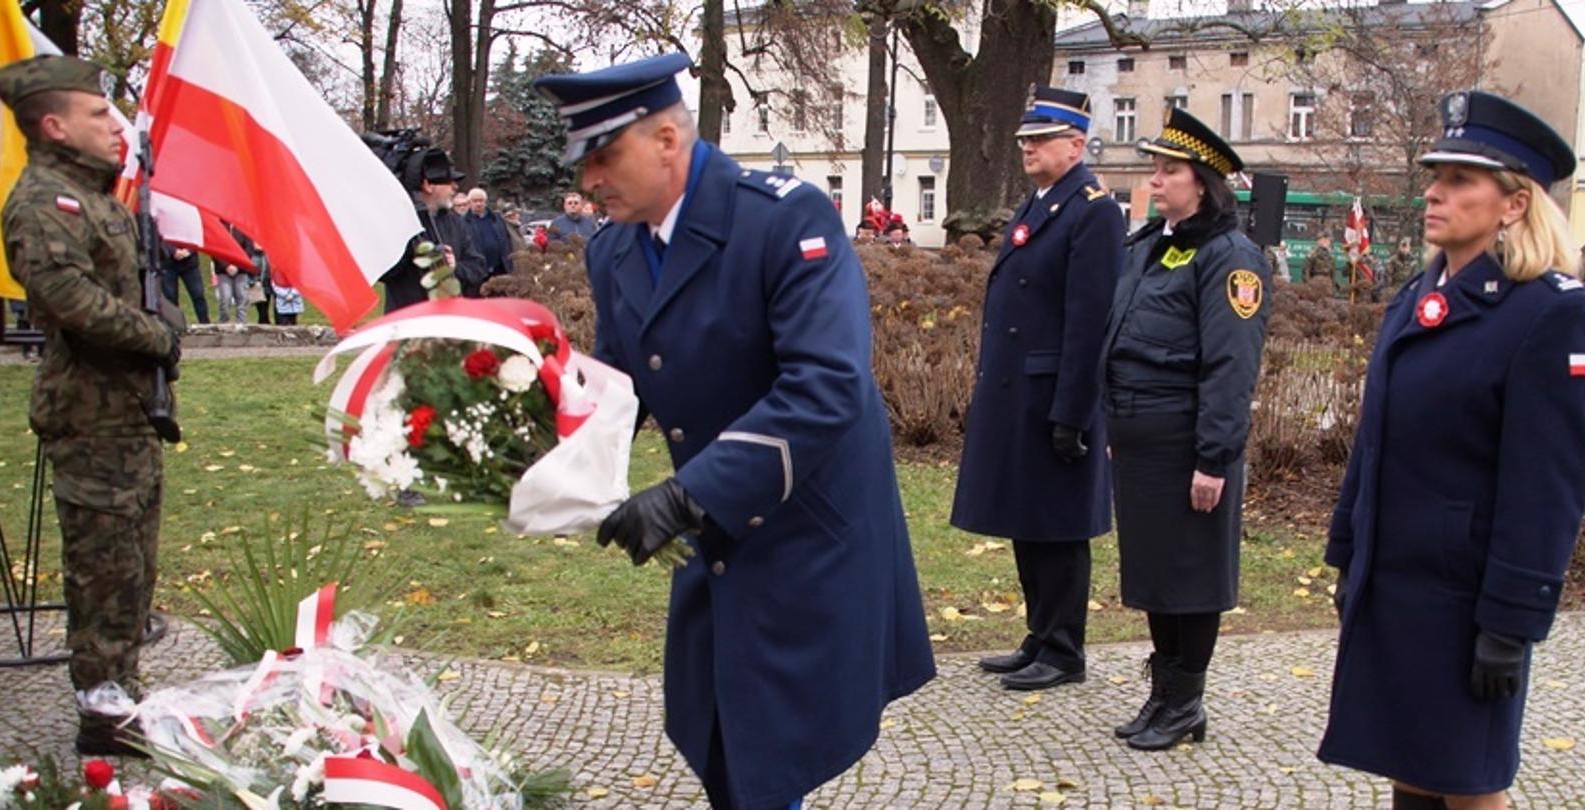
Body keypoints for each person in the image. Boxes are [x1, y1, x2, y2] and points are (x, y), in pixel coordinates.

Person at [536, 53, 934, 810]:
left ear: (665, 138)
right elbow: (621, 383)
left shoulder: (782, 218)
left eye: (603, 156)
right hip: (717, 526)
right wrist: (508, 438)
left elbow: (826, 385)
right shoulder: (616, 246)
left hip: (803, 526)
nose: (589, 180)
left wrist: (686, 499)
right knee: (723, 739)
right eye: (582, 162)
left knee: (770, 754)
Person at [1318, 91, 1585, 810]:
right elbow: (1376, 440)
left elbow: (1547, 486)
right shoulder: (1421, 294)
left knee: (1469, 783)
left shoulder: (1549, 312)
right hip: (1398, 579)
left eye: (1459, 181)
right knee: (1410, 765)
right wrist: (1351, 553)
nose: (1434, 193)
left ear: (1514, 204)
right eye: (1435, 176)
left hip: (1467, 597)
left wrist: (1512, 620)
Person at [0, 54, 184, 756]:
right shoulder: (43, 199)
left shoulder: (99, 199)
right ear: (54, 125)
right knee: (102, 568)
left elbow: (125, 291)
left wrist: (163, 323)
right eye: (97, 113)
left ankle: (122, 689)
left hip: (128, 410)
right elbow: (67, 299)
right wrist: (154, 334)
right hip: (89, 412)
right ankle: (101, 709)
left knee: (133, 566)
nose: (114, 125)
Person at [1104, 106, 1270, 751]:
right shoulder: (1150, 245)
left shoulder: (1231, 257)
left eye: (1169, 171)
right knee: (1153, 573)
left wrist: (1214, 458)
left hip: (1187, 440)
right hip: (1141, 435)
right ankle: (1164, 692)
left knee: (1191, 575)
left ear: (1203, 182)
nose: (1156, 180)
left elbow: (1231, 366)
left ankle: (1186, 700)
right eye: (1154, 168)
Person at [951, 87, 1122, 693]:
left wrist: (1074, 412)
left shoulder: (1094, 210)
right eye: (1025, 138)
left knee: (1059, 525)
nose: (1028, 147)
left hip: (1056, 396)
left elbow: (1089, 320)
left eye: (1041, 138)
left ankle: (1065, 647)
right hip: (1019, 394)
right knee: (1029, 519)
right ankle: (1039, 634)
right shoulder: (1040, 204)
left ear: (1075, 145)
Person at [379, 149, 483, 312]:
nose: (455, 187)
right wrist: (418, 252)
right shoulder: (399, 223)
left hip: (449, 320)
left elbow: (477, 267)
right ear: (428, 185)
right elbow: (385, 272)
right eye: (449, 182)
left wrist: (454, 266)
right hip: (408, 322)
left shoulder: (454, 221)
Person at [462, 187, 515, 293]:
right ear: (469, 203)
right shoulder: (463, 222)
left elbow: (507, 239)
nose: (478, 204)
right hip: (479, 272)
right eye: (475, 201)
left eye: (481, 200)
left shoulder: (496, 218)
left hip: (500, 268)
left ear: (485, 202)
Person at [158, 242, 211, 323]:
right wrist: (173, 251)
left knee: (198, 295)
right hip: (168, 263)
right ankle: (173, 325)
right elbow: (159, 237)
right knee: (170, 297)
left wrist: (188, 251)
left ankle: (205, 323)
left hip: (190, 263)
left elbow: (196, 238)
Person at [213, 254, 247, 323]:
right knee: (226, 297)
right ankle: (224, 321)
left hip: (241, 270)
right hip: (223, 271)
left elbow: (248, 251)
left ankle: (241, 321)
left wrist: (237, 266)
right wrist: (226, 266)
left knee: (241, 297)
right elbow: (215, 252)